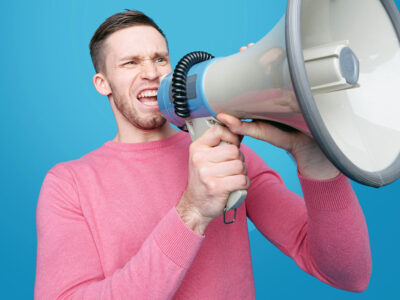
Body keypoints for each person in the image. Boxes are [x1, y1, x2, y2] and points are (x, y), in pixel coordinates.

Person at [34, 10, 372, 299]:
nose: (151, 73)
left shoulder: (226, 154)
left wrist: (315, 159)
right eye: (130, 63)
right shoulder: (69, 184)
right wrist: (192, 211)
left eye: (159, 59)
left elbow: (348, 274)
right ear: (102, 83)